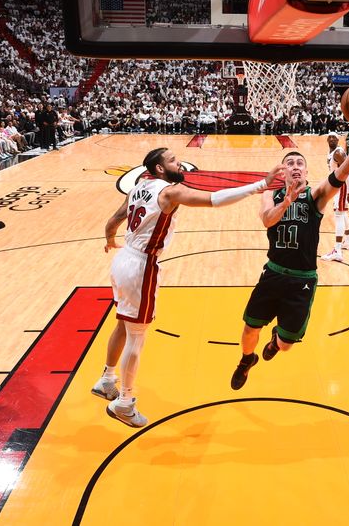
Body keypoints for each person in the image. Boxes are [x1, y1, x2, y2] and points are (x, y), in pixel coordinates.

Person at [95, 147, 284, 427]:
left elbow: (113, 221)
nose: (179, 162)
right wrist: (261, 185)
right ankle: (124, 402)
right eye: (172, 160)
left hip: (122, 261)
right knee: (137, 336)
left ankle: (107, 379)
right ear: (159, 169)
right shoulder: (170, 192)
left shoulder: (138, 187)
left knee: (123, 323)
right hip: (141, 267)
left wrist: (111, 240)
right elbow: (215, 199)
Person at [230, 104, 349, 390]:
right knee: (250, 327)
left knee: (287, 345)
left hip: (302, 279)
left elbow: (344, 169)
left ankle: (278, 339)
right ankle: (245, 361)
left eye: (300, 163)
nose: (296, 167)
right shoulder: (270, 194)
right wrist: (286, 200)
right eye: (290, 163)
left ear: (307, 171)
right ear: (282, 171)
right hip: (273, 273)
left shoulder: (316, 196)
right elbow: (267, 221)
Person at [321, 132, 349, 262]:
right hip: (336, 186)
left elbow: (347, 172)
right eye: (329, 137)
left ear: (338, 140)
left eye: (334, 137)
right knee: (343, 214)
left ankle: (337, 250)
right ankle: (348, 241)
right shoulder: (331, 152)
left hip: (341, 187)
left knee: (339, 215)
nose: (331, 139)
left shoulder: (338, 153)